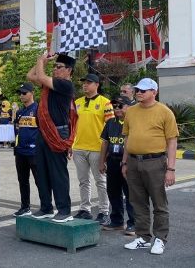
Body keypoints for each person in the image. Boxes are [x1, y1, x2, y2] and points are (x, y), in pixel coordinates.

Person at [122, 78, 178, 255]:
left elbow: (172, 141)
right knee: (137, 201)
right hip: (132, 161)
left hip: (155, 162)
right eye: (138, 89)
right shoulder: (131, 112)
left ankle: (160, 238)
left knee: (159, 203)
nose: (139, 92)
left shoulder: (164, 112)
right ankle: (143, 237)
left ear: (154, 92)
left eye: (144, 90)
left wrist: (170, 168)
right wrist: (124, 162)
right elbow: (127, 137)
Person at [26, 53, 77, 223]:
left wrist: (41, 61)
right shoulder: (51, 84)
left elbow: (40, 76)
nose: (55, 69)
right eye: (54, 66)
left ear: (69, 70)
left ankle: (64, 210)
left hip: (57, 132)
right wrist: (40, 62)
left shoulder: (65, 85)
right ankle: (46, 207)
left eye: (59, 67)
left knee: (58, 173)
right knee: (42, 172)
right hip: (42, 132)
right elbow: (31, 76)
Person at [73, 73, 114, 223]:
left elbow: (110, 127)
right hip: (79, 148)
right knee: (83, 181)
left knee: (101, 181)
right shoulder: (77, 102)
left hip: (97, 149)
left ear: (97, 85)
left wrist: (108, 149)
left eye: (88, 82)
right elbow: (72, 126)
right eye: (84, 82)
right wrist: (71, 144)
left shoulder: (105, 103)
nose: (85, 85)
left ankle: (104, 211)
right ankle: (85, 209)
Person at [98, 96, 135, 235]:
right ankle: (117, 221)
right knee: (113, 191)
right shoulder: (110, 122)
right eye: (115, 106)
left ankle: (133, 223)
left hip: (128, 162)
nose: (117, 109)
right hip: (113, 161)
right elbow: (105, 143)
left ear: (128, 106)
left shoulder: (132, 122)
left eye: (120, 106)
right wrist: (101, 162)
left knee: (130, 193)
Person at [11, 82, 40, 217]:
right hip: (20, 152)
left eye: (24, 93)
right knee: (23, 181)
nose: (21, 95)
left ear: (32, 93)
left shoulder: (38, 109)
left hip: (34, 152)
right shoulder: (20, 112)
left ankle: (46, 207)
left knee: (40, 180)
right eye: (20, 93)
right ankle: (25, 207)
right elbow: (17, 130)